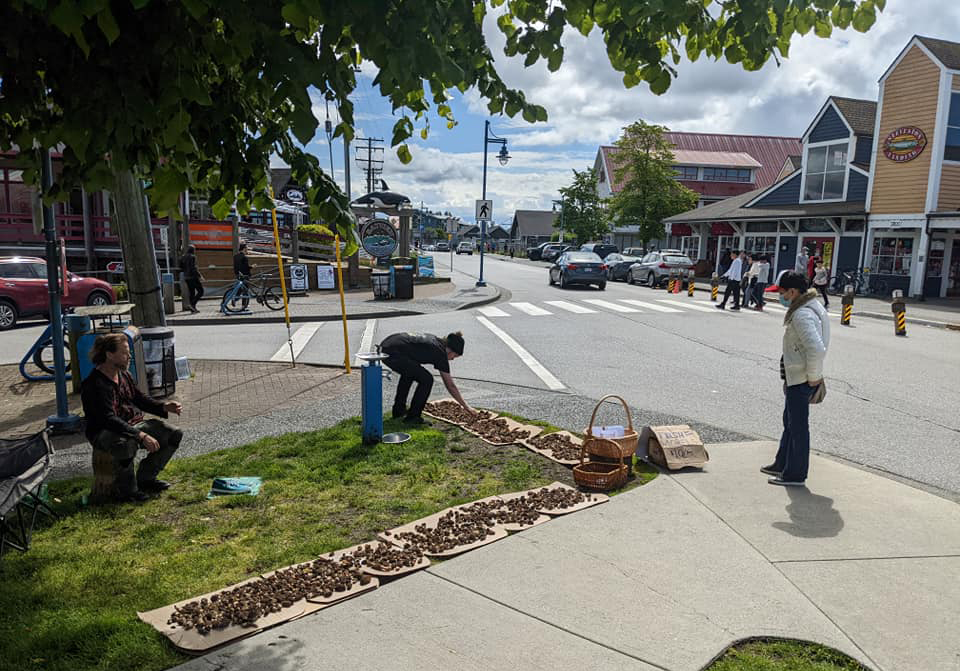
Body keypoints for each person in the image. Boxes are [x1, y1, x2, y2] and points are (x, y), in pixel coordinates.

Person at [81, 334, 183, 503]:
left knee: (173, 434)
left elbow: (138, 398)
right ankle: (127, 491)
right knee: (126, 444)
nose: (129, 356)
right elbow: (108, 419)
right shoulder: (95, 384)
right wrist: (140, 435)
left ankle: (146, 478)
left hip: (132, 424)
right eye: (124, 353)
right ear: (109, 354)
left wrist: (163, 406)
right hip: (105, 432)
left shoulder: (124, 374)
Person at [762, 271, 830, 487]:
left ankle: (795, 474)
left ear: (793, 292)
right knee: (790, 423)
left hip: (801, 379)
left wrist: (814, 378)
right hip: (797, 377)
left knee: (798, 427)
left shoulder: (802, 314)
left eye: (782, 293)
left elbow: (816, 349)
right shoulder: (812, 306)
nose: (780, 297)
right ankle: (782, 462)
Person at [380, 331, 475, 425]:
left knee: (409, 373)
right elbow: (450, 385)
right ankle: (413, 417)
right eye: (454, 356)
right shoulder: (440, 353)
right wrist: (467, 407)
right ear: (450, 350)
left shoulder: (436, 342)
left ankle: (399, 411)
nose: (452, 359)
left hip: (387, 346)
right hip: (392, 352)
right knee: (427, 379)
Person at [181, 244, 204, 313]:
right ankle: (192, 304)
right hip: (193, 277)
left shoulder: (183, 257)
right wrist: (200, 276)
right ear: (193, 250)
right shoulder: (192, 257)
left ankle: (193, 309)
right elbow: (193, 268)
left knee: (192, 293)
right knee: (201, 291)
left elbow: (181, 267)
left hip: (186, 277)